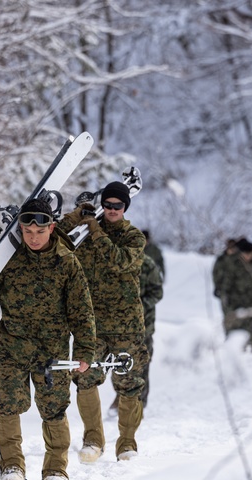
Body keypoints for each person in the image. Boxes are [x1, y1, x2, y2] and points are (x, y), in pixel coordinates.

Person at [0, 198, 96, 480]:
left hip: (51, 352)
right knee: (7, 406)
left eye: (39, 232)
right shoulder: (8, 259)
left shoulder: (67, 262)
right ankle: (11, 466)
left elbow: (82, 311)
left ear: (51, 228)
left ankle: (55, 469)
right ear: (22, 230)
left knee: (54, 409)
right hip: (11, 347)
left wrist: (84, 352)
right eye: (28, 232)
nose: (33, 238)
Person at [56, 181, 147, 463]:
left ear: (125, 207)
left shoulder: (134, 237)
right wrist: (75, 217)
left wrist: (95, 231)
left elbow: (119, 261)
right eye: (106, 205)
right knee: (84, 378)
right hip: (91, 323)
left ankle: (127, 443)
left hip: (126, 324)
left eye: (117, 206)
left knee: (129, 383)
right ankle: (93, 438)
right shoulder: (83, 232)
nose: (111, 210)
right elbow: (54, 240)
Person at [109, 252, 164, 414]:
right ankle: (120, 396)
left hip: (143, 326)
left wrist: (139, 306)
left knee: (141, 365)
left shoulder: (147, 264)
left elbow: (157, 292)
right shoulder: (116, 262)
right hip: (119, 328)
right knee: (118, 364)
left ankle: (139, 403)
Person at [219, 238, 252, 351]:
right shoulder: (233, 263)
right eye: (245, 253)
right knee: (234, 324)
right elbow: (226, 282)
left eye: (250, 254)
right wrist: (224, 297)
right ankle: (233, 348)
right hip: (236, 300)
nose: (247, 256)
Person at [211, 237, 238, 331]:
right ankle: (228, 332)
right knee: (226, 313)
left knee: (237, 313)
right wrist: (217, 287)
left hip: (238, 291)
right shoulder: (221, 259)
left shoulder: (239, 260)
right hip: (224, 290)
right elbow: (215, 274)